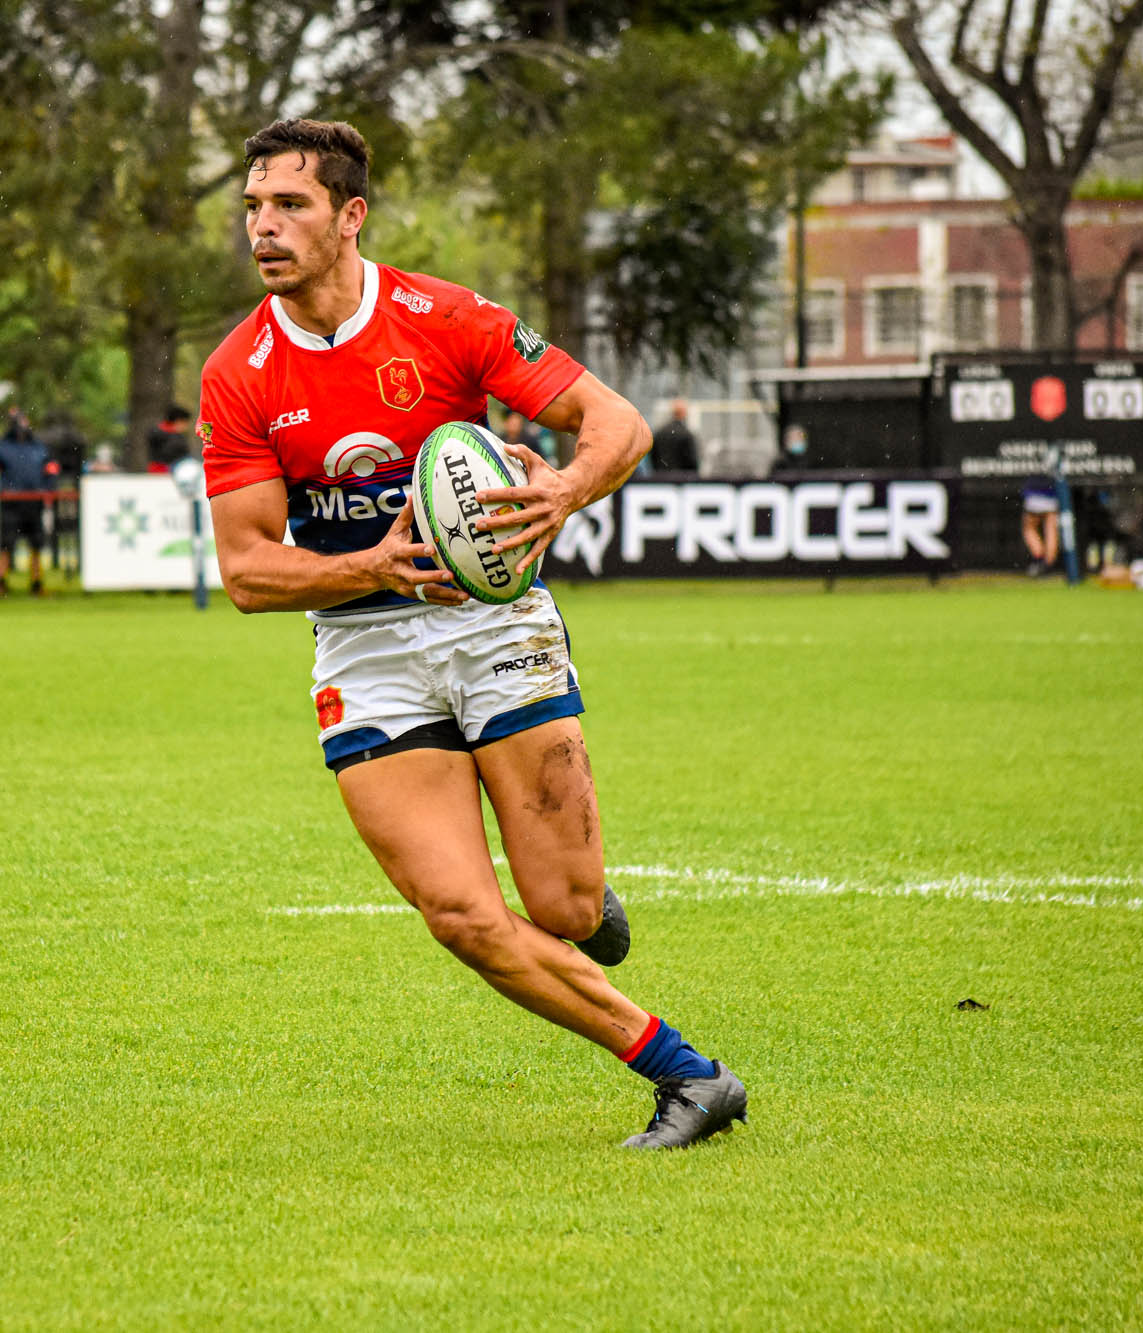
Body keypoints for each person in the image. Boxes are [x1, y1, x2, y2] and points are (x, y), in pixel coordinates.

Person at [200, 117, 744, 1151]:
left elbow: (614, 422)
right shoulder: (239, 372)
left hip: (495, 621)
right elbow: (246, 570)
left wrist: (564, 493)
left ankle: (578, 906)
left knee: (564, 905)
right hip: (364, 654)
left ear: (349, 216)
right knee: (459, 916)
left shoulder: (447, 319)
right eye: (251, 209)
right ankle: (690, 1076)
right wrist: (371, 566)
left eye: (288, 206)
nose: (261, 228)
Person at [0, 406, 57, 595]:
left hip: (33, 502)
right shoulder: (1, 447)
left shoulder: (38, 447)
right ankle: (0, 583)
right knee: (6, 544)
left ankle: (37, 583)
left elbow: (51, 469)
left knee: (36, 544)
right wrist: (0, 489)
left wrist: (46, 490)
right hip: (10, 503)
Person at [1020, 472, 1061, 576]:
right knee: (1051, 530)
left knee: (1029, 528)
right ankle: (1048, 563)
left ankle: (1040, 560)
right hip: (1052, 494)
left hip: (1035, 493)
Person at [652, 398, 699, 473]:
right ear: (684, 413)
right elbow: (691, 461)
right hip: (681, 480)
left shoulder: (659, 433)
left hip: (660, 479)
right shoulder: (686, 434)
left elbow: (653, 456)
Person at [146, 406, 195, 473]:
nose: (186, 427)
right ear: (178, 421)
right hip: (166, 471)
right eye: (185, 423)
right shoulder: (173, 438)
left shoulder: (155, 431)